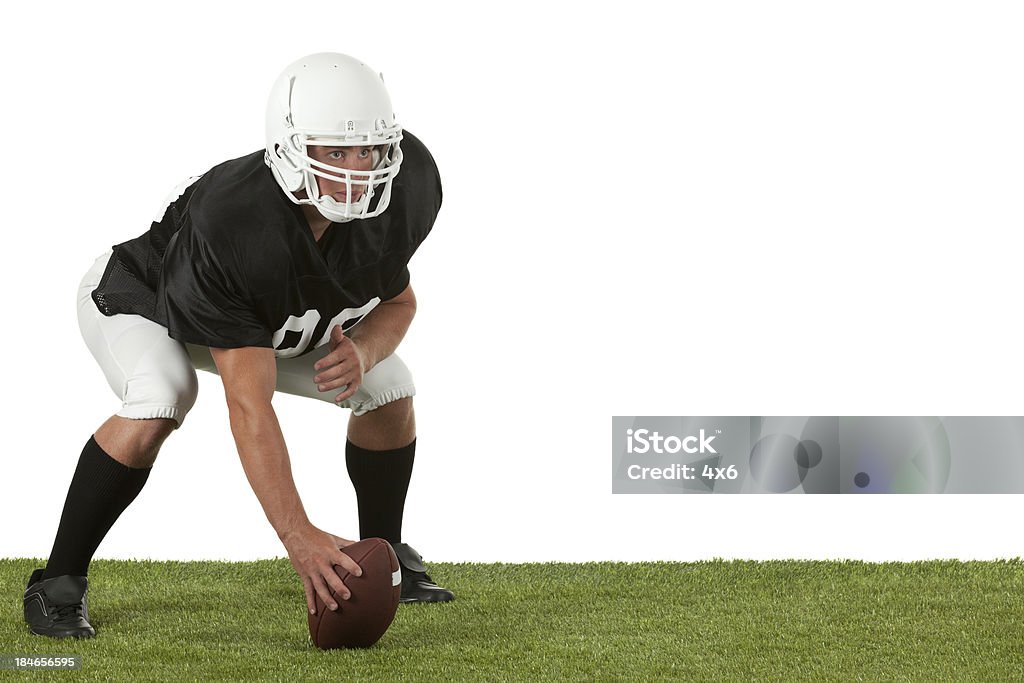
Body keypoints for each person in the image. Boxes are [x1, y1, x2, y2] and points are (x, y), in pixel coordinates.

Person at [23, 52, 453, 640]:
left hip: (264, 320)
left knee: (388, 388)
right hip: (147, 299)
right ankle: (58, 581)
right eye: (335, 151)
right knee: (165, 392)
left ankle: (384, 555)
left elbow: (398, 302)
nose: (360, 170)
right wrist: (296, 534)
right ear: (292, 149)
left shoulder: (405, 188)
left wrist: (364, 351)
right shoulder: (235, 221)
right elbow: (250, 403)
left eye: (370, 150)